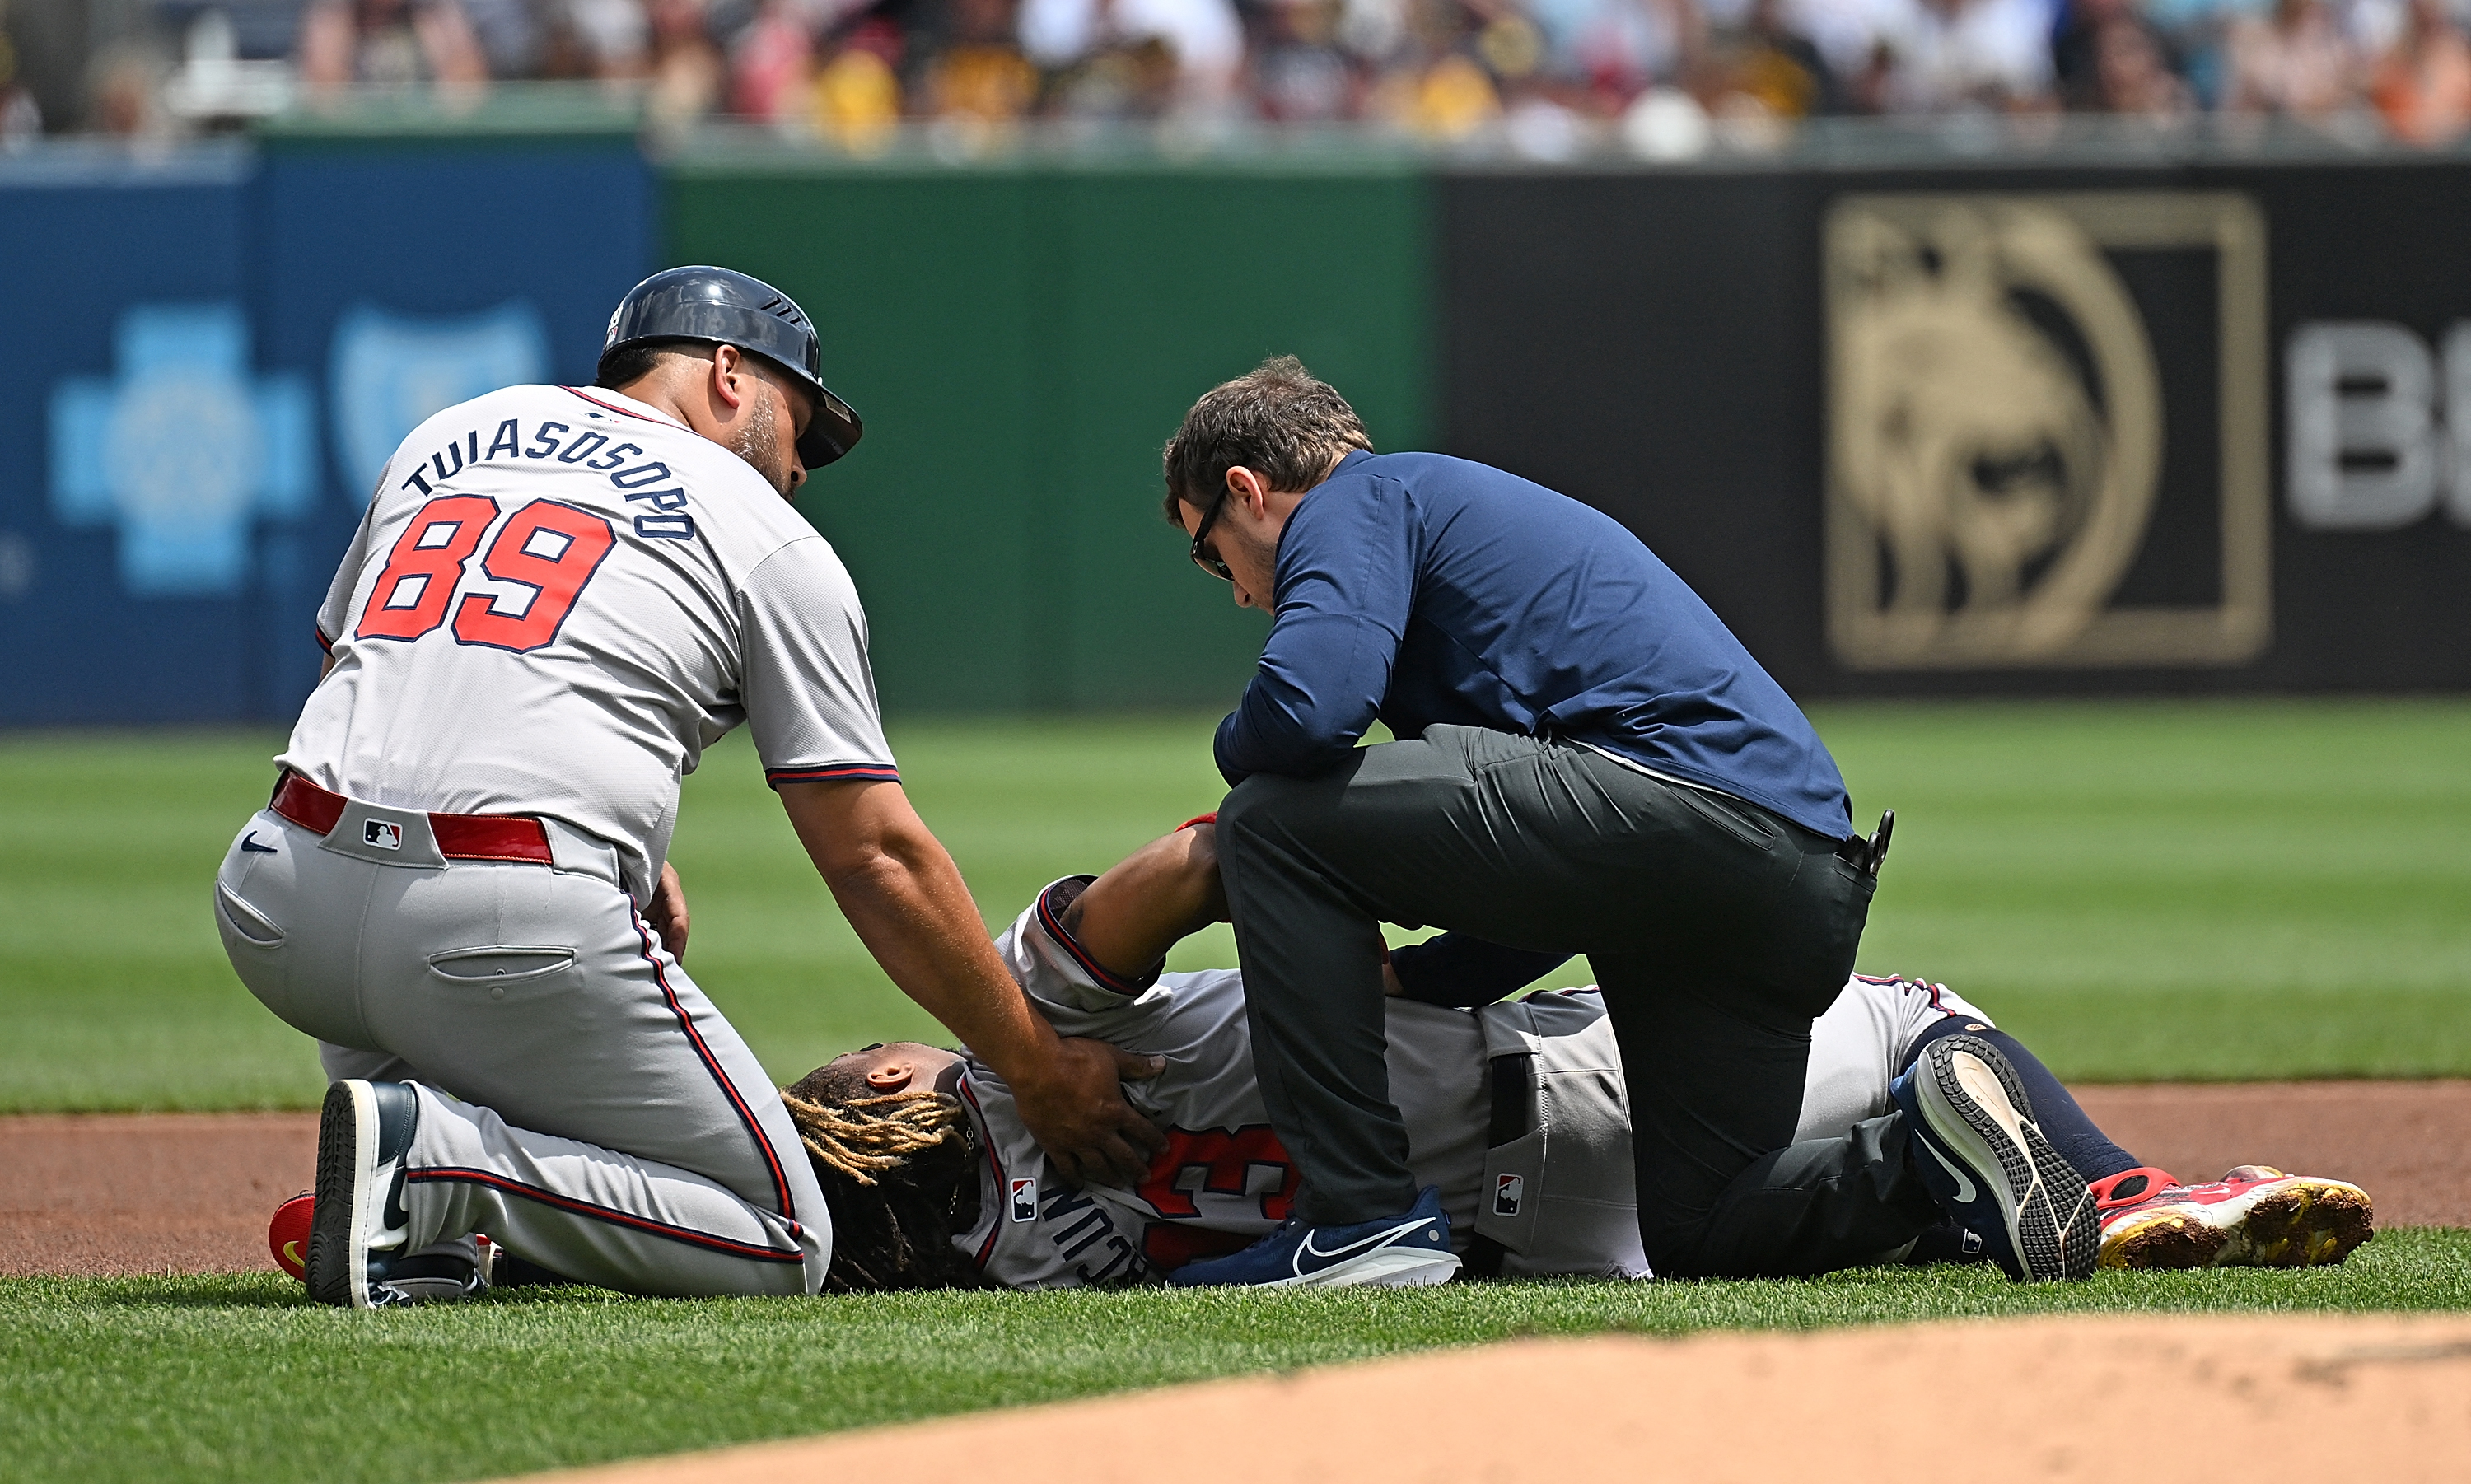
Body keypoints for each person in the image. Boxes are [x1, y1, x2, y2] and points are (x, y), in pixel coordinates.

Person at [213, 266, 1162, 1308]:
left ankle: (420, 1212)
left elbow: (361, 667)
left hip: (279, 898)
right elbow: (874, 852)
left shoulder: (452, 435)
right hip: (495, 927)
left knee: (470, 1030)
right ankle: (442, 1170)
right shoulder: (766, 536)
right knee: (783, 1234)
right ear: (727, 374)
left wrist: (619, 841)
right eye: (800, 424)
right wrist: (1030, 1062)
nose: (800, 467)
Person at [1156, 357, 2096, 1288]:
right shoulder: (1431, 524)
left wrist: (1231, 746)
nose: (1238, 590)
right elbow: (1548, 891)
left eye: (1211, 551)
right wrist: (1420, 972)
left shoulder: (1356, 499)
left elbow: (1310, 709)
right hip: (1796, 876)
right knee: (1706, 1223)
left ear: (1248, 489)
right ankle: (1931, 1147)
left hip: (1668, 805)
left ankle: (1360, 1218)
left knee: (1269, 820)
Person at [776, 819, 2374, 1291]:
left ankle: (1951, 1186)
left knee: (1844, 1201)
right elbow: (1214, 848)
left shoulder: (1011, 1270)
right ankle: (2111, 1191)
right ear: (904, 1087)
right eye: (880, 1049)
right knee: (1916, 1018)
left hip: (1544, 1246)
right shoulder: (1027, 1041)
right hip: (1551, 1077)